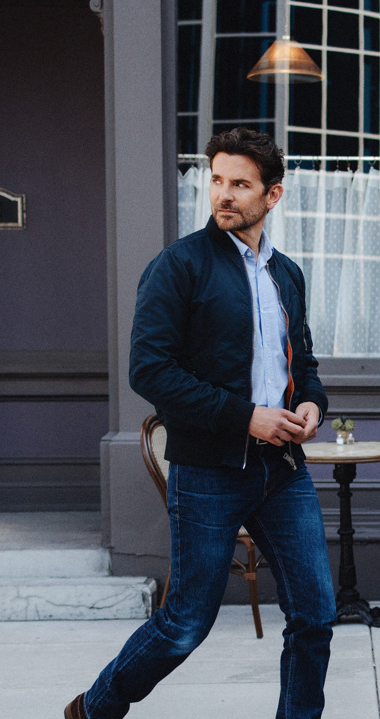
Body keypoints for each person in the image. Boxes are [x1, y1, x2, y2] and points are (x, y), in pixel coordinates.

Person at [65, 128, 335, 719]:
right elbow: (150, 371)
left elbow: (302, 362)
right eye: (217, 180)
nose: (225, 195)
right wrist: (248, 419)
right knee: (186, 622)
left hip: (282, 470)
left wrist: (311, 403)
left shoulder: (286, 274)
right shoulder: (179, 266)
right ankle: (95, 709)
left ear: (273, 195)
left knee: (315, 616)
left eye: (241, 184)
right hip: (209, 471)